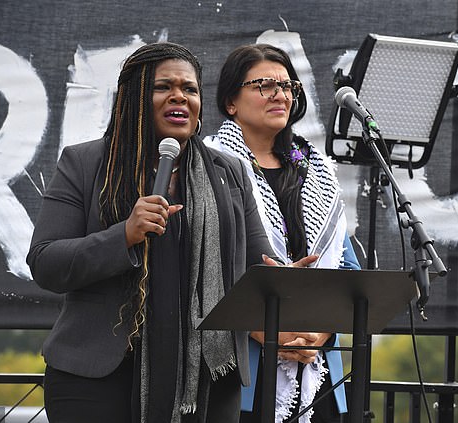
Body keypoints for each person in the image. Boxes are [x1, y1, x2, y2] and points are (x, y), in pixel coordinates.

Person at [27, 42, 314, 423]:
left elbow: (255, 265)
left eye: (190, 89)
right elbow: (46, 262)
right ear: (134, 96)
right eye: (164, 87)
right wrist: (123, 235)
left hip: (209, 382)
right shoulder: (85, 163)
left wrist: (278, 281)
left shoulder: (229, 172)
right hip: (98, 379)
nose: (179, 96)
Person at [206, 44, 361, 423]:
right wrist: (265, 330)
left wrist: (322, 331)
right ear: (230, 101)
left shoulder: (317, 171)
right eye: (263, 85)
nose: (280, 94)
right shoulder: (207, 165)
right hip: (241, 370)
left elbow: (348, 271)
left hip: (315, 366)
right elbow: (199, 271)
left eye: (288, 85)